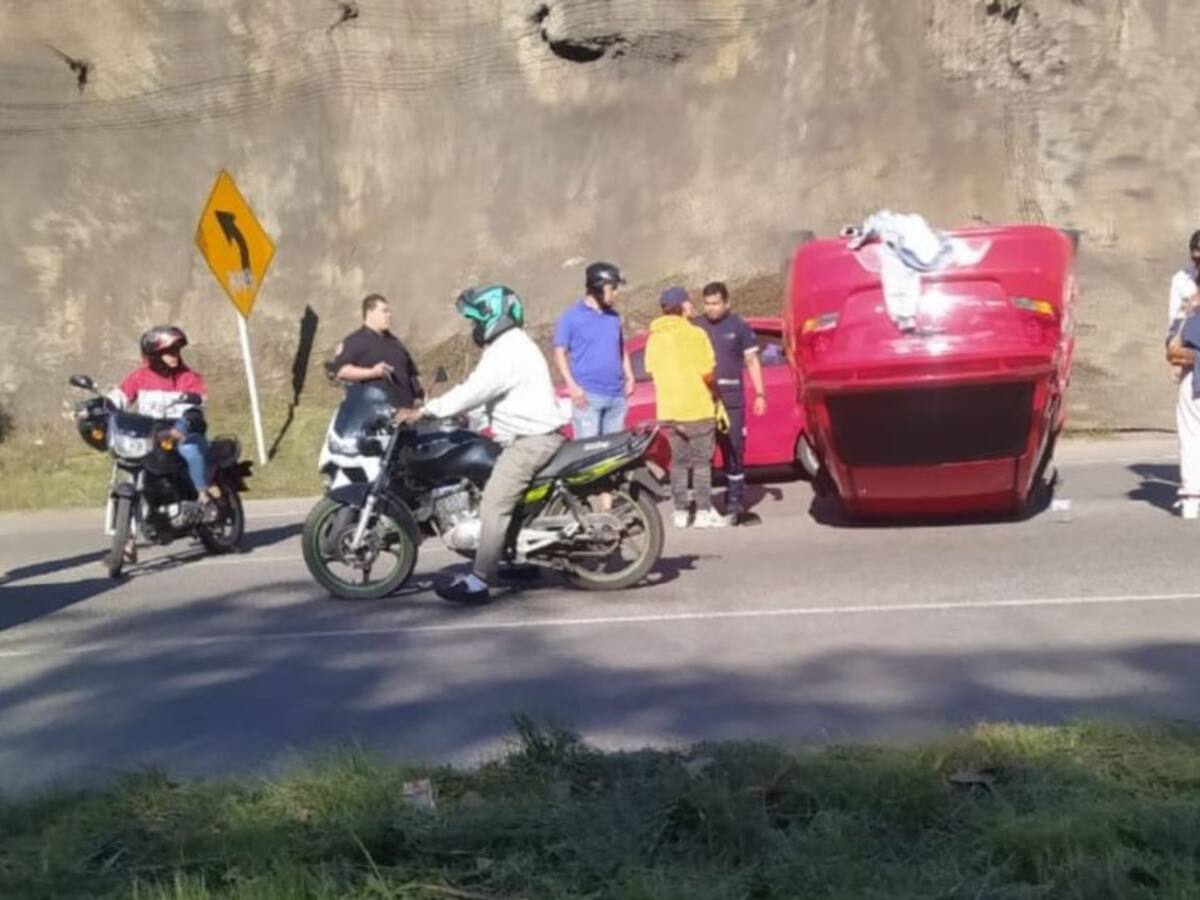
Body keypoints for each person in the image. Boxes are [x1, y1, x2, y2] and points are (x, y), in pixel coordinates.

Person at [394, 285, 568, 603]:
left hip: (530, 443)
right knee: (492, 488)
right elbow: (487, 395)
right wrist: (466, 417)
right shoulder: (510, 347)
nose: (474, 328)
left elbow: (474, 390)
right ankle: (517, 559)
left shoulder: (507, 350)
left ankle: (479, 579)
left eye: (476, 320)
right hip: (527, 438)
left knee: (493, 504)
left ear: (493, 316)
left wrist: (425, 411)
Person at [109, 326, 216, 532]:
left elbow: (197, 406)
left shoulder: (189, 377)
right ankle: (129, 536)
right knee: (135, 460)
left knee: (189, 450)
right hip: (153, 433)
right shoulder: (139, 377)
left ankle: (203, 495)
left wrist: (181, 427)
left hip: (186, 430)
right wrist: (101, 408)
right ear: (155, 355)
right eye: (169, 352)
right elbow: (118, 398)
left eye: (177, 351)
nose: (175, 356)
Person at [644, 286, 727, 529]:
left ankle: (680, 512)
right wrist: (716, 397)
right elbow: (707, 372)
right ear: (680, 307)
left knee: (679, 463)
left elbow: (652, 370)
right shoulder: (695, 334)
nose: (692, 306)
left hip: (669, 410)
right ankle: (703, 511)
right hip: (696, 407)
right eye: (688, 303)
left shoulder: (654, 338)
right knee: (701, 462)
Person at [694, 281, 767, 524]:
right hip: (703, 400)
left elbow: (752, 361)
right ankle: (701, 504)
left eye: (716, 303)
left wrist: (760, 394)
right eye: (707, 303)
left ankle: (734, 499)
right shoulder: (696, 327)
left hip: (732, 399)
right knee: (702, 452)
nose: (711, 308)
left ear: (727, 303)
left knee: (734, 449)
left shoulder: (739, 327)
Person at [553, 261, 635, 438]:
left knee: (613, 458)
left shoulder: (614, 318)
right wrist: (573, 387)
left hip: (617, 396)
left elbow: (620, 348)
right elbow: (560, 352)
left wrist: (630, 376)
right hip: (588, 397)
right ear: (599, 287)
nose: (616, 293)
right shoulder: (571, 317)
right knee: (589, 456)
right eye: (612, 288)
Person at [331, 293, 424, 407]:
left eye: (389, 311)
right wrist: (373, 373)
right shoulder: (355, 341)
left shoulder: (395, 342)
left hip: (407, 414)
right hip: (376, 415)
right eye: (384, 311)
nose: (389, 315)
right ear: (370, 312)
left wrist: (419, 396)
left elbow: (412, 373)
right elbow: (342, 371)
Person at [1166, 230, 1200, 518]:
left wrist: (1176, 361)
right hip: (1193, 363)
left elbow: (1174, 324)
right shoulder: (1182, 280)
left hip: (1194, 362)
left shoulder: (1183, 280)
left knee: (1191, 431)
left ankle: (1191, 498)